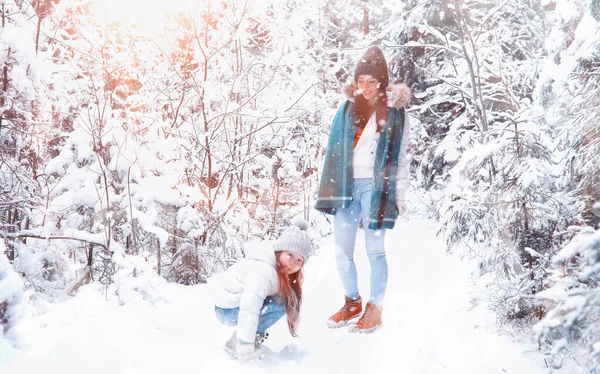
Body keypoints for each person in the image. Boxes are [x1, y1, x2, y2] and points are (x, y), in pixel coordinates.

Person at [314, 46, 410, 333]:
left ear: (382, 81)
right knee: (342, 252)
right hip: (345, 186)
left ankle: (375, 309)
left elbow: (402, 157)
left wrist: (400, 195)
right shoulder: (346, 111)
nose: (366, 88)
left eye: (372, 81)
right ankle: (352, 302)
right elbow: (333, 150)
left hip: (376, 187)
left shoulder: (396, 113)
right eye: (361, 81)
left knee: (375, 251)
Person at [210, 219, 312, 362]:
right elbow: (249, 307)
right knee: (281, 303)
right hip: (225, 309)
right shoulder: (264, 271)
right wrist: (245, 344)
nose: (293, 263)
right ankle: (237, 344)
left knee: (283, 300)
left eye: (299, 260)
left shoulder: (276, 271)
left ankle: (246, 337)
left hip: (232, 305)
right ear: (279, 251)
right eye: (290, 255)